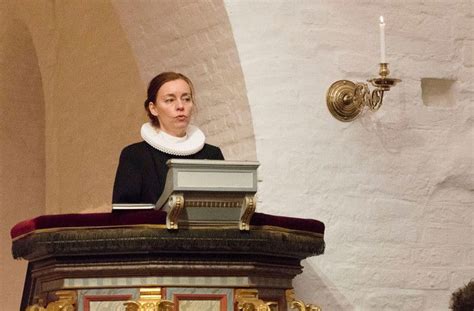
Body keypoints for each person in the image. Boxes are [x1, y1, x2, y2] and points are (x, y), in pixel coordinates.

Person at [112, 72, 224, 204]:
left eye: (186, 99)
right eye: (170, 100)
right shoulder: (135, 156)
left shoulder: (212, 154)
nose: (180, 106)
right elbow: (124, 215)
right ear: (153, 109)